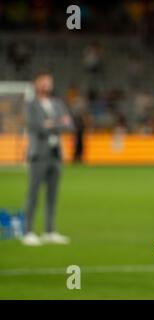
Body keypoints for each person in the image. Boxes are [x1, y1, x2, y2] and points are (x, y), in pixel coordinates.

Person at [22, 72, 73, 246]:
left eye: (48, 82)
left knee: (53, 195)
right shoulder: (31, 105)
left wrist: (51, 123)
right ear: (36, 84)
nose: (46, 85)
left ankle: (49, 231)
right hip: (38, 154)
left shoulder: (58, 103)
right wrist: (58, 122)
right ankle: (27, 232)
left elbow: (70, 125)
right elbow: (37, 126)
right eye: (43, 82)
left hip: (55, 154)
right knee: (33, 194)